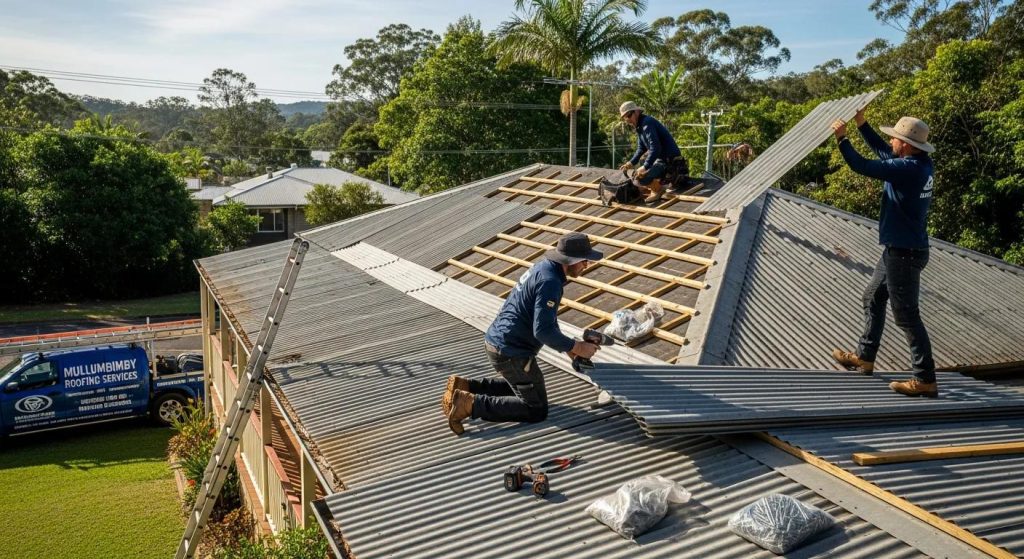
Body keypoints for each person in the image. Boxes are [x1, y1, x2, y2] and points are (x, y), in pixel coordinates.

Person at [441, 232, 603, 435]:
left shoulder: (543, 268)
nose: (586, 266)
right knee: (536, 408)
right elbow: (543, 331)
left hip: (499, 343)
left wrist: (570, 349)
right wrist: (578, 346)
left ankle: (466, 386)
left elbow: (546, 321)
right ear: (570, 260)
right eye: (585, 261)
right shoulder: (550, 282)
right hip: (511, 353)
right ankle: (469, 404)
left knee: (525, 386)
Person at [830, 109, 938, 398]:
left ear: (906, 145)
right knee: (873, 297)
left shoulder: (907, 170)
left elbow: (862, 165)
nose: (891, 141)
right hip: (900, 249)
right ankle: (864, 358)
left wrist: (842, 139)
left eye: (895, 138)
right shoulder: (919, 163)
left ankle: (925, 379)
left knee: (906, 316)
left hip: (904, 254)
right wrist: (861, 124)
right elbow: (883, 152)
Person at [617, 101, 683, 204]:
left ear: (636, 112)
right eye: (625, 118)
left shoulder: (647, 123)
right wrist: (630, 163)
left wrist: (645, 167)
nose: (628, 120)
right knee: (638, 174)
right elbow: (641, 148)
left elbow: (656, 148)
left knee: (641, 178)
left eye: (629, 116)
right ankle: (654, 185)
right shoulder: (640, 126)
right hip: (660, 160)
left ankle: (658, 190)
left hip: (669, 162)